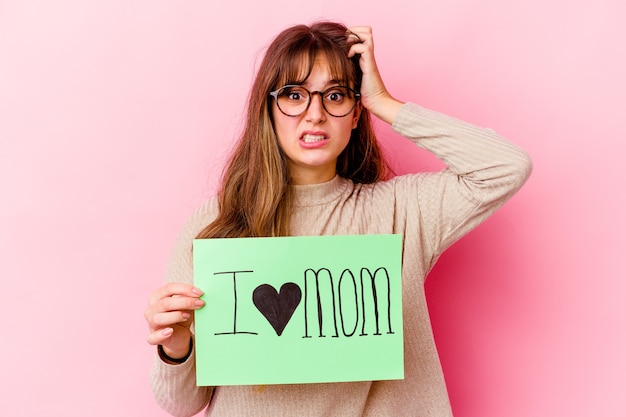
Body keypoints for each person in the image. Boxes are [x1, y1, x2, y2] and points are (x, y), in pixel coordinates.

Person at [144, 21, 532, 417]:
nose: (315, 114)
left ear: (355, 111)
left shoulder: (402, 211)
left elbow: (506, 167)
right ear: (268, 108)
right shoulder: (215, 227)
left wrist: (383, 101)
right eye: (294, 95)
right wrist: (177, 348)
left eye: (335, 95)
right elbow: (180, 405)